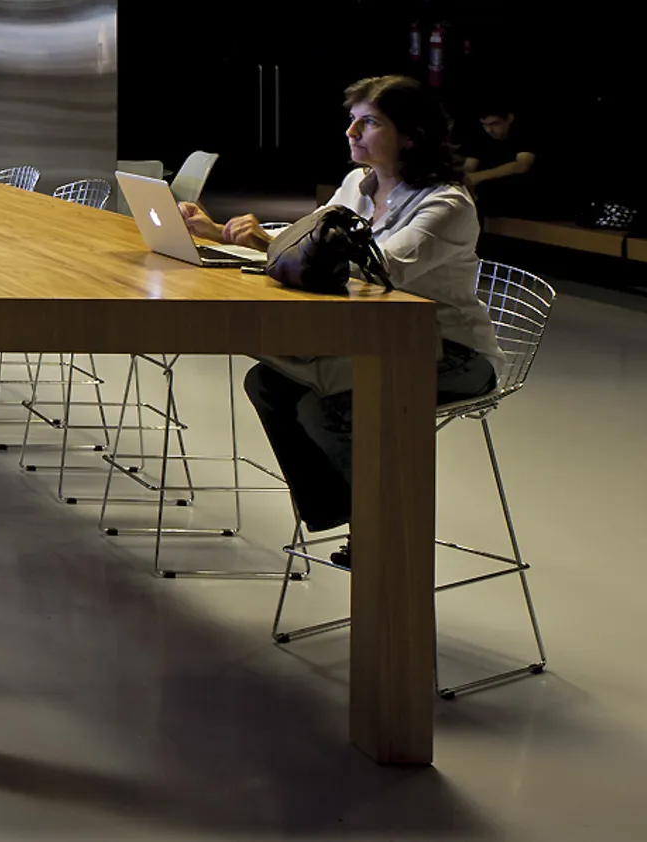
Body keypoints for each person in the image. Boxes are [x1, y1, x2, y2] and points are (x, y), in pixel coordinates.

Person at [180, 75, 500, 556]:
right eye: (352, 121)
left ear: (411, 134)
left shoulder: (446, 203)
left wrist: (268, 244)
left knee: (325, 409)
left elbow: (379, 270)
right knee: (266, 383)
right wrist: (228, 234)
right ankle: (352, 513)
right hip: (372, 336)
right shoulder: (357, 184)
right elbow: (310, 238)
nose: (351, 133)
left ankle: (385, 531)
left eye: (368, 123)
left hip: (451, 352)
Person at [463, 104, 540, 217]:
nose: (489, 129)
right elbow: (469, 167)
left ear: (509, 119)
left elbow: (521, 166)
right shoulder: (481, 137)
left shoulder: (524, 134)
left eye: (495, 124)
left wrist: (478, 176)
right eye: (484, 125)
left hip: (524, 195)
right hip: (486, 196)